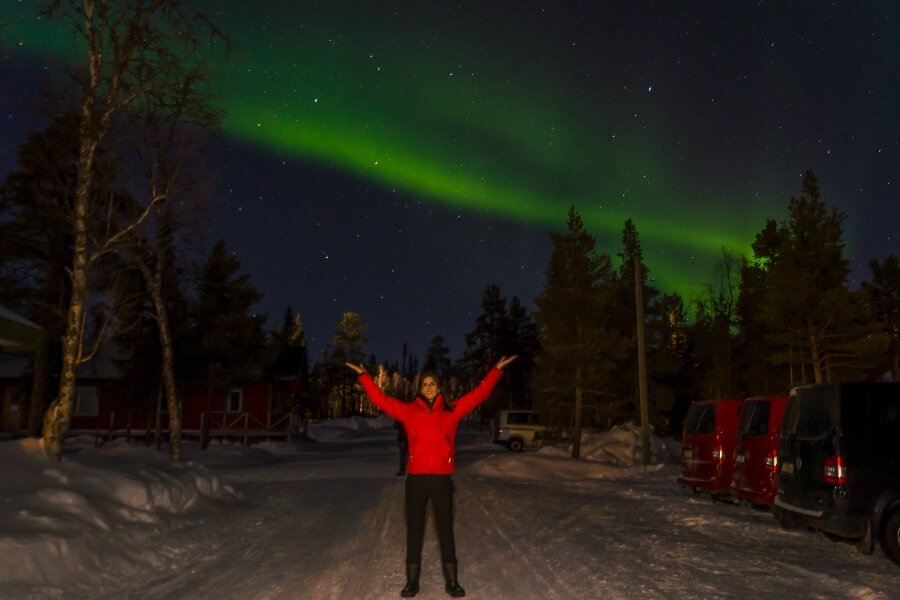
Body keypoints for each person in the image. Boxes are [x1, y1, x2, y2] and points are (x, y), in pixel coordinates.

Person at [346, 356, 517, 598]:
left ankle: (452, 581)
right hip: (416, 480)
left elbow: (479, 394)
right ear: (420, 388)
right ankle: (412, 582)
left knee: (445, 529)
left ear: (438, 388)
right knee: (415, 530)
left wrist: (495, 371)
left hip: (441, 481)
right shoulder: (408, 411)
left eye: (432, 384)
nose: (428, 387)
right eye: (425, 383)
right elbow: (381, 400)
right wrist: (364, 377)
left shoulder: (451, 411)